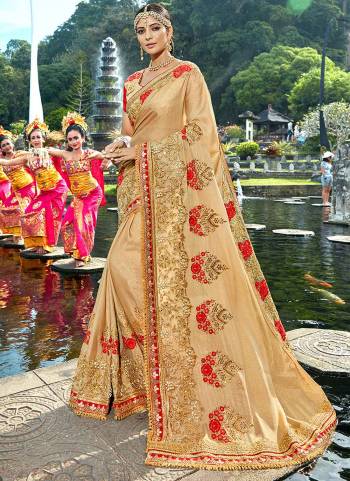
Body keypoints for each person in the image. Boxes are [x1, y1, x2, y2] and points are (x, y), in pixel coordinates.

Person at [69, 3, 336, 476]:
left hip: (180, 199)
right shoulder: (132, 83)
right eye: (140, 30)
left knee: (187, 293)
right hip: (142, 196)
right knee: (121, 276)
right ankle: (152, 381)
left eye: (155, 28)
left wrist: (145, 153)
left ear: (170, 32)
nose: (147, 35)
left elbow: (200, 136)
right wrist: (117, 150)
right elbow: (132, 135)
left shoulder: (187, 75)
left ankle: (186, 387)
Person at [1, 119, 69, 253]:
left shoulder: (49, 151)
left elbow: (68, 154)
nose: (36, 140)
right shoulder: (28, 157)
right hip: (44, 191)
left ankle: (47, 246)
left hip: (57, 187)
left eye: (38, 137)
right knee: (29, 212)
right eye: (33, 138)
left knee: (49, 215)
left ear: (43, 138)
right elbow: (8, 163)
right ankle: (38, 243)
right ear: (29, 141)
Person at [48, 112, 105, 267]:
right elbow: (50, 151)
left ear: (83, 138)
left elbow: (104, 156)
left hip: (92, 194)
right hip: (78, 197)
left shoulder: (89, 153)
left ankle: (83, 256)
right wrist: (38, 150)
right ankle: (76, 252)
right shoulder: (65, 154)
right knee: (67, 224)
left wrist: (106, 161)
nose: (73, 141)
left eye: (76, 138)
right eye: (70, 139)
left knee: (83, 223)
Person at [0, 129, 35, 243]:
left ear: (12, 144)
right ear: (1, 148)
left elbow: (32, 155)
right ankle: (15, 233)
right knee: (4, 208)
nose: (6, 146)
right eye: (3, 145)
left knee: (21, 210)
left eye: (8, 143)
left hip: (27, 188)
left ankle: (21, 236)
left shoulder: (20, 154)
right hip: (16, 191)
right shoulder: (2, 160)